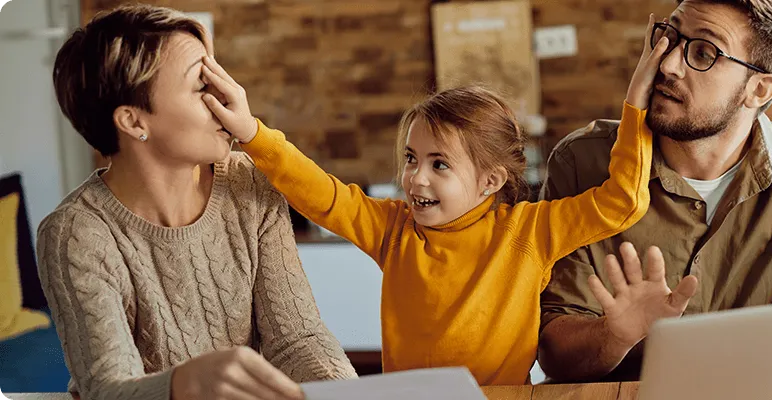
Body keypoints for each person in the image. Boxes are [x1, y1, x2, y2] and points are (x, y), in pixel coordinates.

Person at [198, 14, 673, 385]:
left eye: (439, 164)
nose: (415, 178)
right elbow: (323, 194)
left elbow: (622, 201)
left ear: (489, 181)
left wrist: (636, 106)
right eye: (411, 158)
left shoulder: (530, 231)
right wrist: (252, 133)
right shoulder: (393, 229)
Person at [537, 0, 772, 382]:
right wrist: (614, 335)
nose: (667, 65)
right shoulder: (582, 162)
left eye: (703, 52)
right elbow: (553, 352)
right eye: (670, 36)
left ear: (758, 89)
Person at [38, 5, 356, 399]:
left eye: (217, 75)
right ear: (134, 122)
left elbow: (297, 339)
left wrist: (345, 394)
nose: (229, 98)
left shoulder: (249, 181)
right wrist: (180, 384)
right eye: (201, 85)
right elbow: (107, 389)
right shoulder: (75, 235)